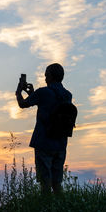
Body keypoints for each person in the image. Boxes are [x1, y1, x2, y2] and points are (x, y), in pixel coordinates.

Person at [15, 63, 72, 194]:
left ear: (50, 76)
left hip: (44, 143)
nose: (45, 78)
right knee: (57, 183)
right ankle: (61, 209)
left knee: (45, 183)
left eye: (46, 75)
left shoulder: (43, 92)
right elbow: (50, 104)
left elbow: (22, 104)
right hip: (60, 145)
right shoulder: (67, 95)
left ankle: (46, 211)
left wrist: (18, 92)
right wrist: (33, 94)